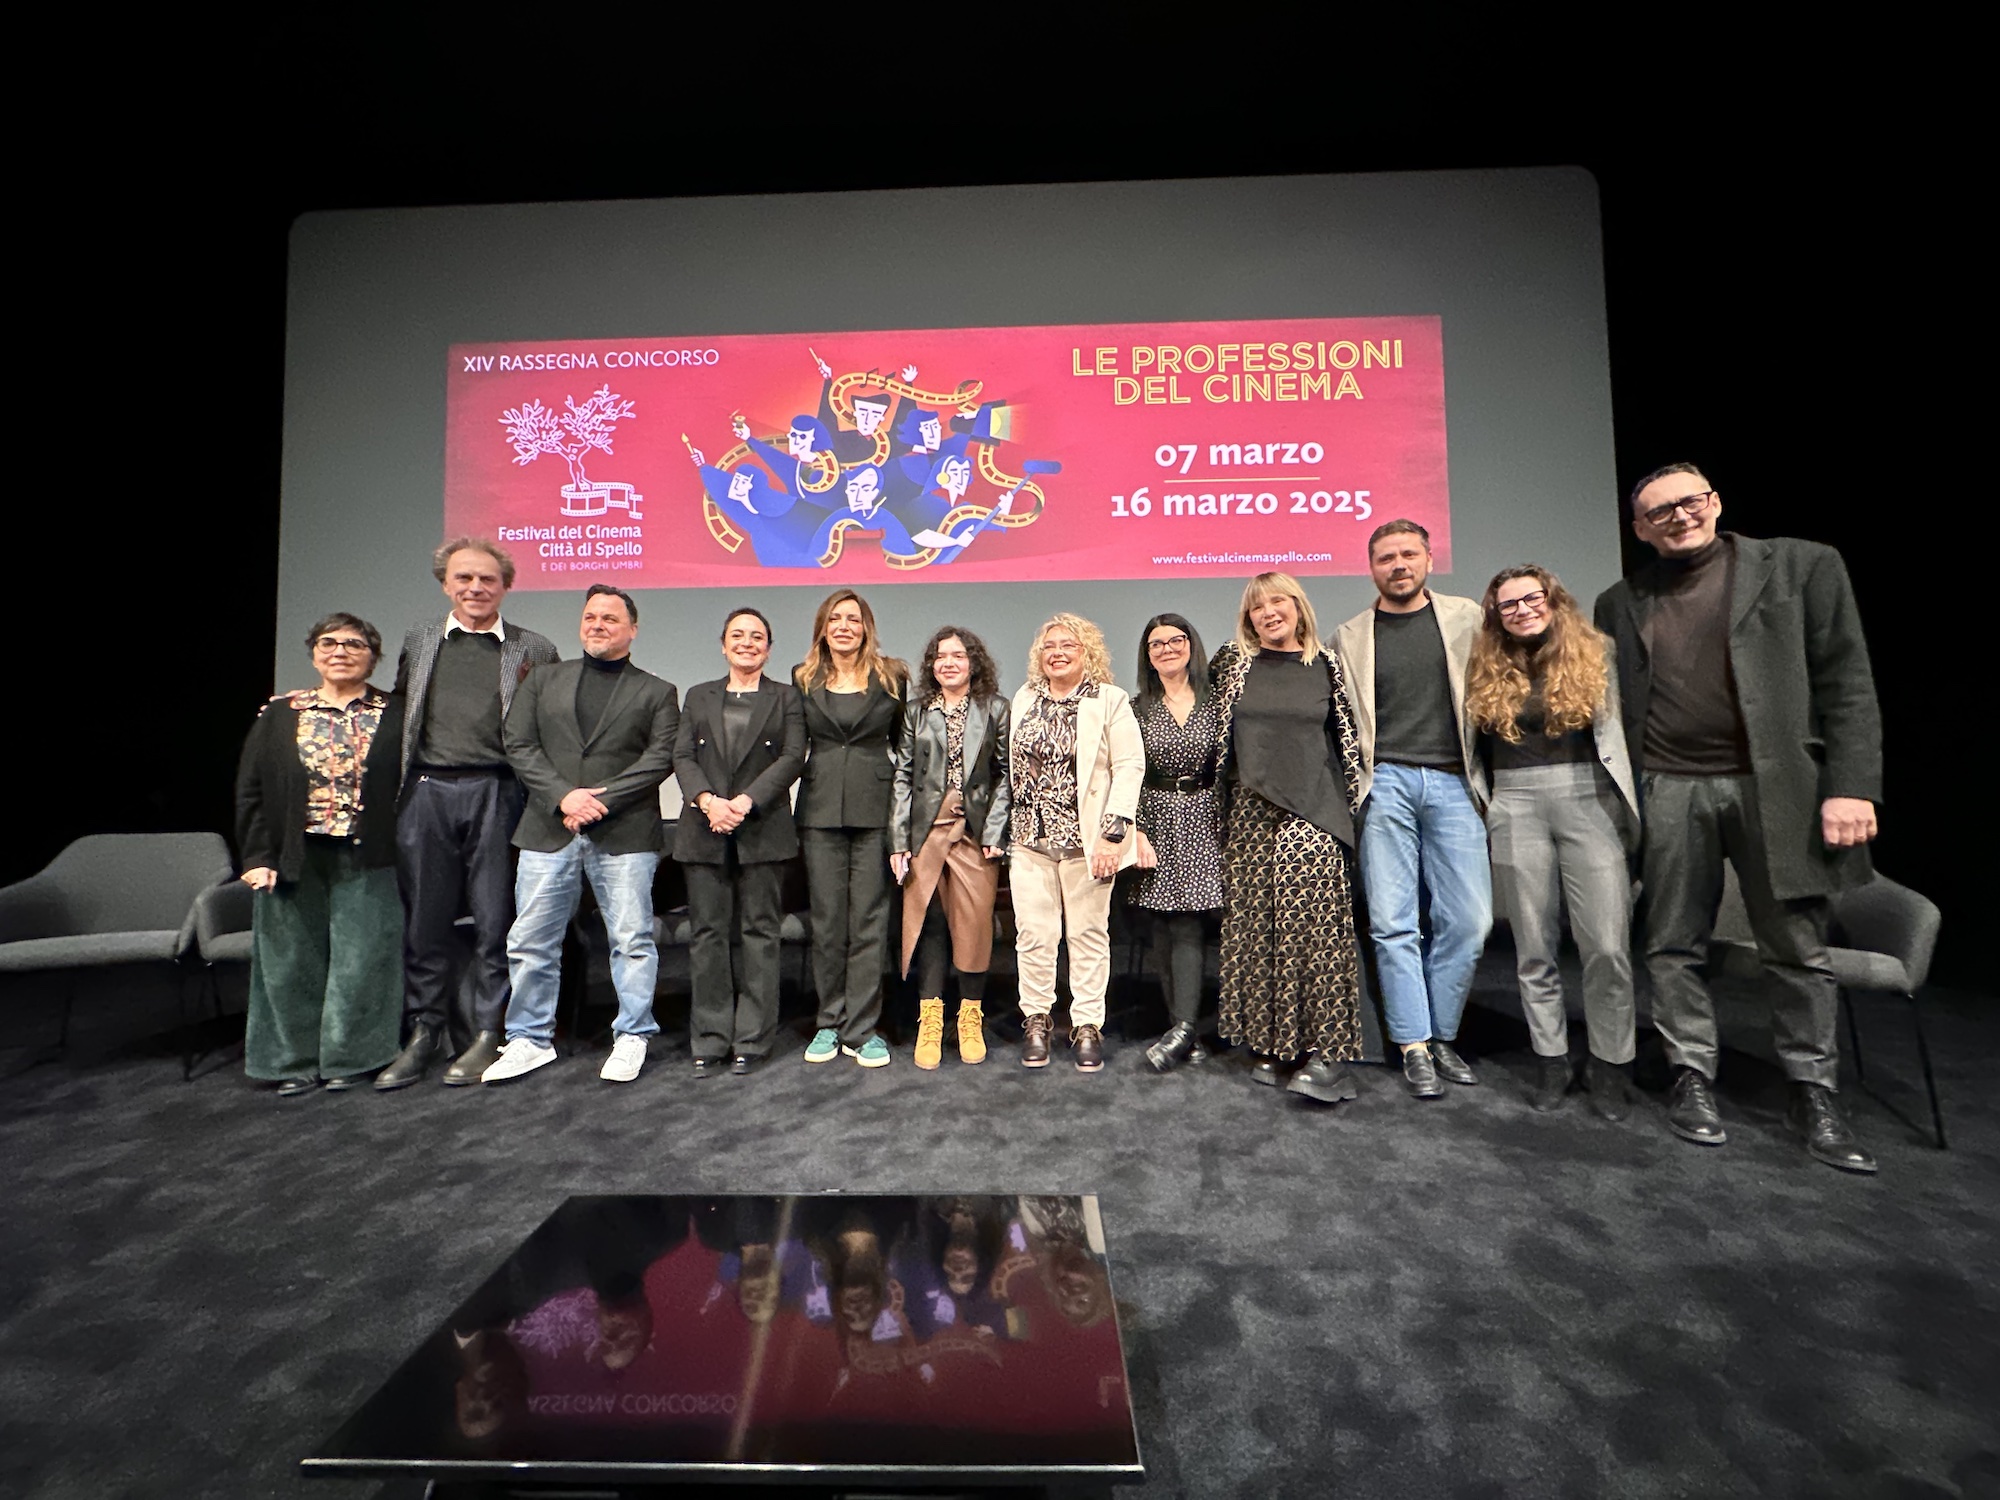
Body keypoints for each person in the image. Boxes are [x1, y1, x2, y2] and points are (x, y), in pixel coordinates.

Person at [1595, 463, 1883, 1173]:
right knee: (1671, 943)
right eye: (1659, 512)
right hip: (1669, 787)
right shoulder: (1620, 600)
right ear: (1640, 529)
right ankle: (1691, 1074)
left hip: (1775, 787)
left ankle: (1812, 1090)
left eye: (1689, 501)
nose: (1678, 516)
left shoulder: (1801, 566)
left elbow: (1847, 679)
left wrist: (1851, 787)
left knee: (1796, 946)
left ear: (1715, 502)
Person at [479, 586, 681, 1086]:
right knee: (531, 939)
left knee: (632, 941)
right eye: (591, 616)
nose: (598, 624)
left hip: (625, 832)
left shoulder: (658, 691)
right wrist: (564, 797)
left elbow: (659, 759)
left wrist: (599, 802)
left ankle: (632, 1035)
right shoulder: (542, 679)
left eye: (610, 618)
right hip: (549, 827)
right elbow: (519, 743)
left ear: (632, 629)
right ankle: (529, 1039)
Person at [377, 538, 560, 1091]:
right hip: (426, 791)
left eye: (487, 579)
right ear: (445, 584)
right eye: (464, 578)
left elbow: (548, 727)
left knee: (494, 920)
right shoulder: (421, 639)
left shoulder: (534, 648)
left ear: (505, 586)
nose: (476, 588)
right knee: (424, 921)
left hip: (497, 792)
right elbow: (397, 707)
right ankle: (425, 1030)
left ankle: (488, 1030)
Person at [1467, 566, 1641, 1117]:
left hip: (1589, 797)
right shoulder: (1483, 663)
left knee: (1607, 946)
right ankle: (1552, 1059)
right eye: (1508, 604)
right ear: (1496, 614)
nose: (1521, 610)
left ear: (1553, 599)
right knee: (1533, 946)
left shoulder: (1597, 651)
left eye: (1531, 598)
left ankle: (1611, 1063)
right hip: (1515, 801)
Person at [1333, 520, 1492, 1100]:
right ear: (1371, 567)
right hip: (1386, 783)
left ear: (1428, 558)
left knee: (1470, 921)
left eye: (1408, 554)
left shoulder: (1467, 618)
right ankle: (1414, 1043)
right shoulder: (1349, 635)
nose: (1398, 565)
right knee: (1393, 921)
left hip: (1454, 781)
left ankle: (1442, 1031)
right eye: (1385, 557)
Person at [1211, 573, 1370, 1104]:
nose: (1268, 612)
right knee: (1257, 931)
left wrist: (1349, 812)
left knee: (1313, 931)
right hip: (1250, 811)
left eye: (1277, 601)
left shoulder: (1328, 665)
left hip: (1313, 809)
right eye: (1257, 607)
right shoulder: (1234, 664)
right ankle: (1275, 1043)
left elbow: (1348, 741)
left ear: (1298, 607)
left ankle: (1328, 1054)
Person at [234, 614, 405, 1095]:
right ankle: (293, 1062)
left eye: (354, 644)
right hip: (294, 855)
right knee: (291, 961)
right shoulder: (280, 714)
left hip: (369, 854)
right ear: (313, 653)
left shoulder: (397, 713)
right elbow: (251, 790)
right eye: (328, 643)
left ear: (373, 656)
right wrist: (256, 857)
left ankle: (352, 1058)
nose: (340, 651)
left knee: (364, 960)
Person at [673, 607, 807, 1077]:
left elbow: (793, 756)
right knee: (707, 936)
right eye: (737, 635)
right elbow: (682, 754)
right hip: (704, 829)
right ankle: (709, 1039)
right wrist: (709, 802)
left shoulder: (786, 697)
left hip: (762, 828)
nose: (747, 643)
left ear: (768, 649)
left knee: (760, 935)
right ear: (723, 644)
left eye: (756, 637)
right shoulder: (698, 695)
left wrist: (745, 803)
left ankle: (752, 1039)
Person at [1006, 614, 1144, 1072]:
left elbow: (1129, 766)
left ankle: (1086, 1025)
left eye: (1068, 645)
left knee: (1087, 935)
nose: (1058, 653)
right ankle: (1037, 1020)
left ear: (1087, 652)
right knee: (1034, 935)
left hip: (1089, 845)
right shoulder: (1025, 698)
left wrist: (1112, 835)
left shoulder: (1108, 699)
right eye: (1049, 646)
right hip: (1030, 840)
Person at [794, 589, 907, 1070]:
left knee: (869, 922)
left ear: (866, 628)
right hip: (819, 811)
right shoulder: (803, 678)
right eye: (835, 618)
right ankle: (829, 1021)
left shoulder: (892, 676)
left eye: (853, 619)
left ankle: (862, 1029)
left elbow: (903, 748)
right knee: (827, 922)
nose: (844, 626)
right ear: (823, 627)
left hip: (874, 810)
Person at [890, 627, 1011, 1070]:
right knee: (931, 924)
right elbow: (903, 776)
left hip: (974, 833)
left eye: (958, 655)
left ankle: (970, 1019)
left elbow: (1006, 774)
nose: (948, 663)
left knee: (974, 926)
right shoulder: (916, 711)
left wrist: (995, 831)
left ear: (973, 662)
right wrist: (899, 839)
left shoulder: (995, 708)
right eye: (941, 656)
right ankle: (930, 1019)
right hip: (926, 831)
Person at [1127, 614, 1224, 1073]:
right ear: (1148, 656)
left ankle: (1184, 1028)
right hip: (1155, 818)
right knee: (1163, 925)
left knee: (1187, 922)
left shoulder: (1217, 703)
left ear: (1191, 645)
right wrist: (1135, 829)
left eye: (1176, 640)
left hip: (1205, 815)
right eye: (1157, 644)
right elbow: (1127, 773)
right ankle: (1183, 1030)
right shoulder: (1136, 708)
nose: (1167, 649)